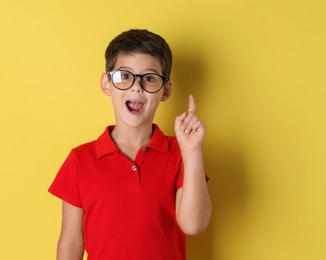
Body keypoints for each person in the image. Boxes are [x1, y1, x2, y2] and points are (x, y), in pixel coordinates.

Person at [48, 29, 212, 260]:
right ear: (107, 83)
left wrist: (192, 150)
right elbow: (71, 242)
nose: (136, 87)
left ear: (165, 91)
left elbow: (194, 225)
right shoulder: (80, 159)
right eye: (124, 76)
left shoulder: (181, 153)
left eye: (149, 78)